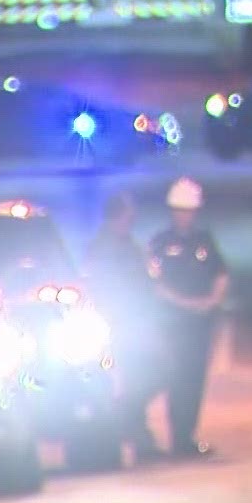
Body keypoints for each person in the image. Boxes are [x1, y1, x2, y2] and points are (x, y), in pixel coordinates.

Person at [146, 177, 229, 459]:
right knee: (175, 379)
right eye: (180, 210)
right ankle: (176, 438)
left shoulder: (205, 241)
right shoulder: (160, 243)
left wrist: (212, 301)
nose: (185, 216)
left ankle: (187, 437)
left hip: (201, 324)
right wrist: (185, 304)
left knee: (195, 380)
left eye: (189, 210)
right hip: (174, 325)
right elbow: (155, 284)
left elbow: (221, 273)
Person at [85, 190, 165, 462]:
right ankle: (132, 430)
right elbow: (101, 287)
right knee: (137, 378)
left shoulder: (129, 243)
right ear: (118, 215)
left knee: (151, 375)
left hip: (137, 321)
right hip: (119, 325)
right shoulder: (102, 248)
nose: (134, 219)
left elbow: (145, 277)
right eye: (130, 214)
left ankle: (133, 427)